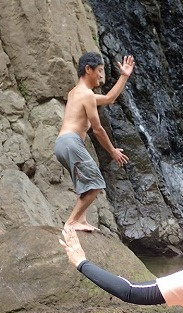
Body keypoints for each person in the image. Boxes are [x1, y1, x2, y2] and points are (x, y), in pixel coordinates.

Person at [55, 52, 135, 231]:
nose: (101, 75)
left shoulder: (75, 93)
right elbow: (98, 129)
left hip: (62, 144)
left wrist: (124, 76)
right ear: (88, 69)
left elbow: (109, 99)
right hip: (71, 142)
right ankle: (72, 222)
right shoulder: (87, 94)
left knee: (86, 184)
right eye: (99, 70)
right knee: (96, 183)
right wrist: (112, 151)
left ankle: (81, 219)